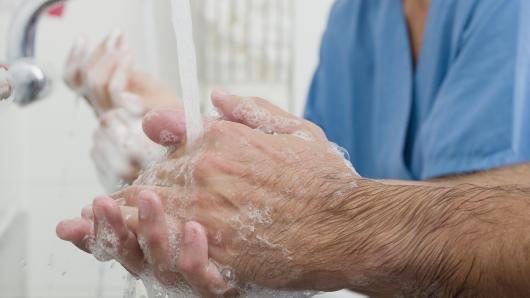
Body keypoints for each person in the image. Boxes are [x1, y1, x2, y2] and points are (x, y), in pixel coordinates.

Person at [57, 0, 530, 297]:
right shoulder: (357, 14)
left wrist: (327, 221)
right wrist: (183, 152)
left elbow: (323, 208)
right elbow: (318, 175)